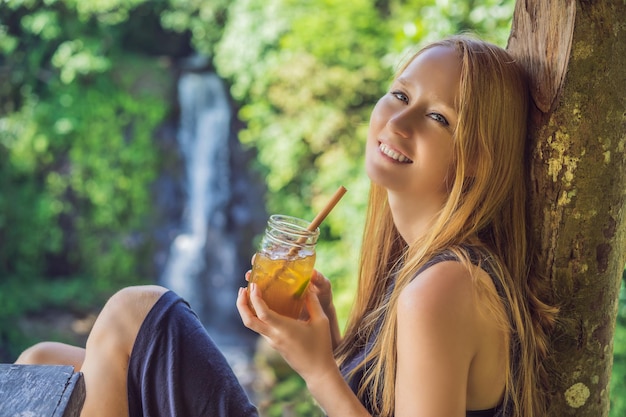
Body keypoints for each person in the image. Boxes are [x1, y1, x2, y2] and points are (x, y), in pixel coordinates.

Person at [16, 34, 556, 417]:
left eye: (438, 118)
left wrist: (318, 371)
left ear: (480, 160)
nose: (398, 121)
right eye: (400, 95)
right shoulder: (422, 269)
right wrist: (336, 345)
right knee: (44, 362)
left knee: (133, 310)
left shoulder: (444, 285)